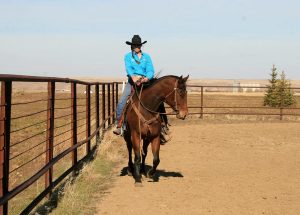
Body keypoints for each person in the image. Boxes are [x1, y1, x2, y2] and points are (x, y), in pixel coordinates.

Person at [113, 35, 155, 135]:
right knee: (122, 101)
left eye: (139, 45)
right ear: (132, 46)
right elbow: (129, 68)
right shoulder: (128, 56)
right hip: (132, 82)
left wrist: (147, 78)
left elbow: (150, 70)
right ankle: (119, 125)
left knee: (157, 98)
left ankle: (162, 123)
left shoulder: (147, 57)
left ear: (141, 45)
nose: (137, 47)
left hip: (145, 82)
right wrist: (134, 77)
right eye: (135, 45)